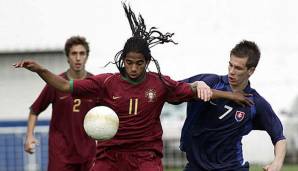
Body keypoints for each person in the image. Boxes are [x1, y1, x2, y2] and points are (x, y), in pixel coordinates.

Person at [15, 4, 251, 171]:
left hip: (145, 157)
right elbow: (65, 86)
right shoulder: (106, 82)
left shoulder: (159, 83)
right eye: (129, 62)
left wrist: (231, 95)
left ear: (147, 62)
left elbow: (192, 91)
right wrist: (40, 70)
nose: (134, 68)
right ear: (122, 60)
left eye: (139, 63)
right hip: (110, 156)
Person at [180, 40, 286, 171]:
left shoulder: (255, 102)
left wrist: (277, 163)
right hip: (196, 167)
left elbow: (279, 137)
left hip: (231, 167)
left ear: (251, 71)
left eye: (238, 68)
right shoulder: (209, 82)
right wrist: (196, 84)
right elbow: (170, 91)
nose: (232, 71)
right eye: (230, 65)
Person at [23, 36, 98, 171]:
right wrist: (29, 136)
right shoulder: (55, 82)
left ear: (87, 56)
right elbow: (34, 110)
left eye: (82, 53)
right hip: (61, 154)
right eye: (74, 53)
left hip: (88, 153)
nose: (78, 58)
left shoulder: (95, 85)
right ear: (68, 57)